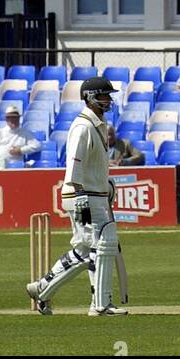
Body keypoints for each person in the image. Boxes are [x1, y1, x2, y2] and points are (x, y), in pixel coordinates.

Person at [26, 76, 127, 317]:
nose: (108, 99)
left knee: (84, 251)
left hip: (94, 193)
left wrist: (106, 184)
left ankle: (42, 289)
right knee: (102, 245)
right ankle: (100, 304)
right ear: (91, 98)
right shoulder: (83, 126)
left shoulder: (98, 124)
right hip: (83, 194)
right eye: (104, 95)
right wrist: (79, 190)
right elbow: (74, 162)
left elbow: (94, 164)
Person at [0, 103, 40, 169]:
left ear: (19, 118)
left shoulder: (25, 133)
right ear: (6, 119)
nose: (13, 120)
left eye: (15, 117)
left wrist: (21, 150)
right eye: (10, 117)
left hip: (15, 168)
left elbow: (37, 146)